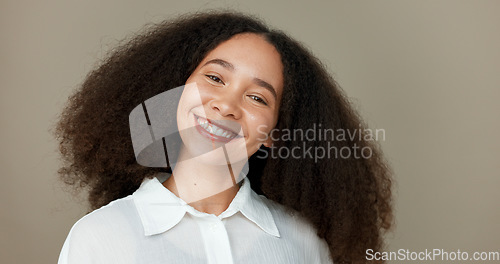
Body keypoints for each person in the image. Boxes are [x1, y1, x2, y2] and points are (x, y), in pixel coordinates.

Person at [55, 11, 393, 264]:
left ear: (275, 133)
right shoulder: (99, 237)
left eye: (258, 98)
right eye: (215, 78)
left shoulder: (303, 244)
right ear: (175, 91)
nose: (227, 105)